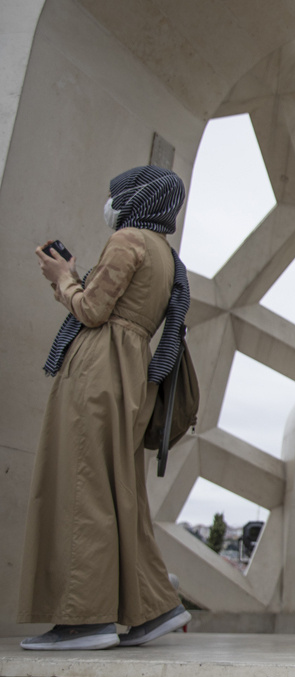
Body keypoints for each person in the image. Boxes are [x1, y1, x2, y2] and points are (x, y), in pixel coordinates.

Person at [19, 166, 193, 650]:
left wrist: (64, 278)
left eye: (115, 196)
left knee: (81, 488)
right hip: (131, 373)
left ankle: (83, 619)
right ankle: (151, 610)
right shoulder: (166, 254)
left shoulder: (129, 239)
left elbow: (93, 311)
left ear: (133, 200)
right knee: (116, 491)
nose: (110, 204)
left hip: (98, 368)